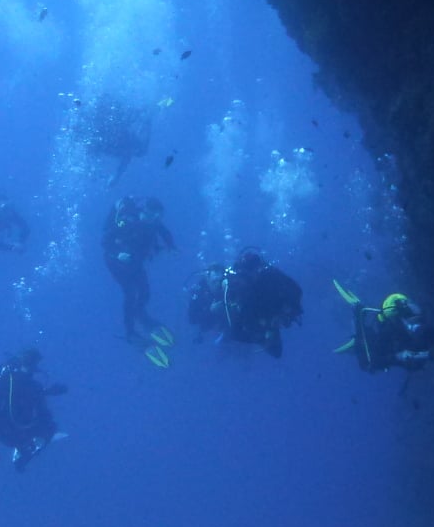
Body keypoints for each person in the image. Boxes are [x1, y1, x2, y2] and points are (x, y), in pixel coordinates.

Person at [186, 248, 304, 357]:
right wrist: (211, 311)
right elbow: (193, 318)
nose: (217, 282)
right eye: (213, 280)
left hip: (245, 328)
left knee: (270, 349)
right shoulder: (202, 292)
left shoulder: (235, 286)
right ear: (207, 278)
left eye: (219, 278)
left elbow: (250, 310)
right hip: (225, 330)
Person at [101, 195, 176, 364]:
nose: (157, 220)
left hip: (135, 261)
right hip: (116, 263)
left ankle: (141, 314)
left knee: (145, 291)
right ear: (146, 211)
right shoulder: (126, 221)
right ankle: (130, 332)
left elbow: (163, 231)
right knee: (130, 294)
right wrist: (117, 254)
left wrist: (172, 246)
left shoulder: (152, 222)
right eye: (154, 216)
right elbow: (105, 242)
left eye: (159, 217)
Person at [0, 348, 68, 470]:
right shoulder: (30, 385)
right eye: (32, 363)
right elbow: (43, 413)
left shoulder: (1, 380)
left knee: (46, 427)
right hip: (16, 432)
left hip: (2, 431)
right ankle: (30, 448)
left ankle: (26, 449)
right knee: (50, 428)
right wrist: (47, 392)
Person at [333, 283, 434, 374]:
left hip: (407, 349)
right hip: (384, 351)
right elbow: (372, 362)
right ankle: (357, 325)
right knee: (367, 353)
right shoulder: (391, 333)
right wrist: (398, 357)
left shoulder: (417, 325)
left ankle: (357, 317)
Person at [81, 95, 151, 186]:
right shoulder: (118, 137)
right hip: (110, 128)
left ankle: (145, 114)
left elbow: (125, 161)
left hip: (111, 133)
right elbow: (91, 150)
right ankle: (145, 114)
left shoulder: (126, 147)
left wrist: (115, 177)